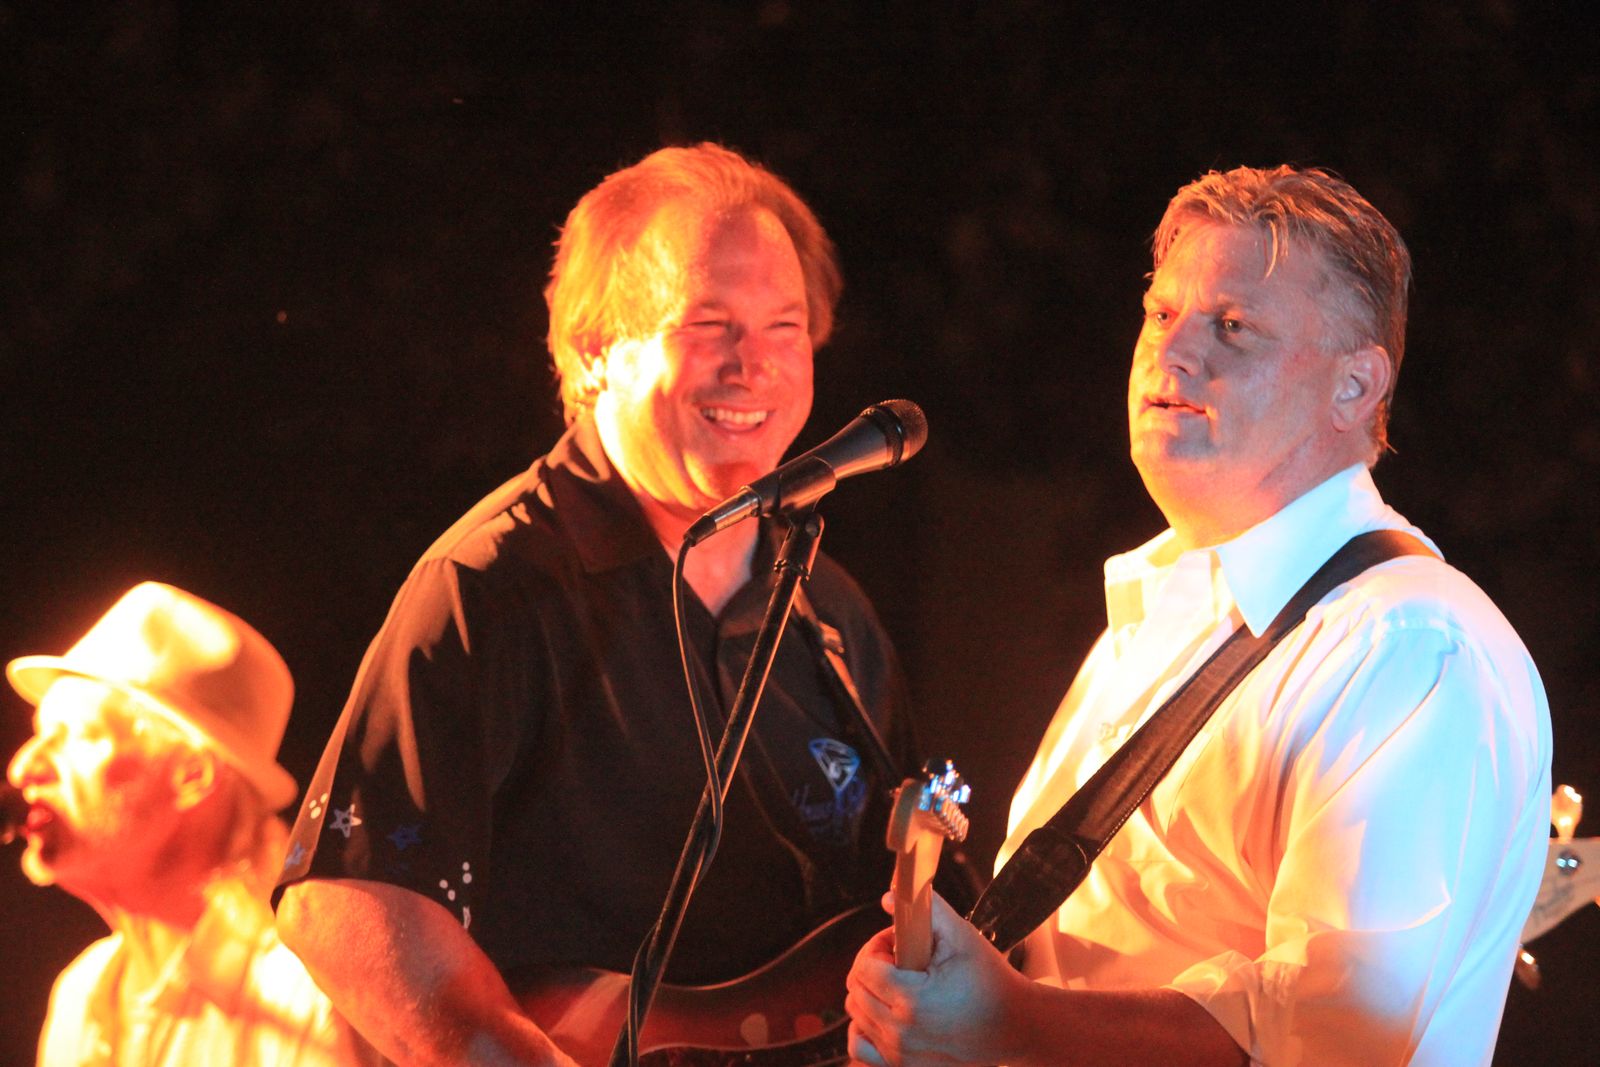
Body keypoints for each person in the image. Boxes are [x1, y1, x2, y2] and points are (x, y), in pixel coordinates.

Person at [844, 166, 1552, 1067]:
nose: (1172, 353)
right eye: (1162, 313)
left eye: (1233, 326)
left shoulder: (1410, 647)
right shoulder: (1167, 603)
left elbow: (1338, 1038)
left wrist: (1008, 1019)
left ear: (1355, 385)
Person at [275, 143, 917, 1066]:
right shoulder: (491, 586)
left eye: (785, 327)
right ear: (594, 350)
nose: (755, 367)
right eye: (709, 325)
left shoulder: (832, 614)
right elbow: (343, 898)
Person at [5, 581, 380, 1066]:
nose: (22, 768)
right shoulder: (81, 995)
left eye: (73, 737)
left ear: (191, 776)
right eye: (39, 736)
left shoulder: (310, 992)